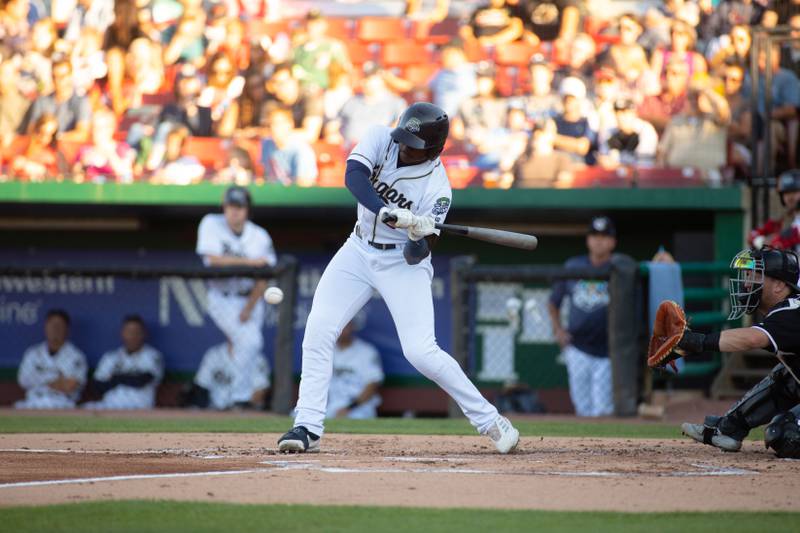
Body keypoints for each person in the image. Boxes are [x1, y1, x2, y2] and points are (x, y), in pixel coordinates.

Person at [277, 102, 519, 454]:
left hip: (400, 264)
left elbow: (418, 255)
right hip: (358, 248)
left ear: (434, 150)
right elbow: (353, 177)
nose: (405, 148)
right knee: (319, 329)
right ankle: (307, 426)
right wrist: (384, 210)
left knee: (421, 352)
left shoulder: (438, 189)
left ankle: (490, 420)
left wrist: (420, 233)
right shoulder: (380, 136)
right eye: (404, 139)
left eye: (414, 145)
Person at [676, 247, 800, 458]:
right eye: (748, 275)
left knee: (785, 434)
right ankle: (730, 428)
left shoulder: (791, 311)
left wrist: (699, 341)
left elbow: (752, 338)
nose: (747, 282)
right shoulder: (786, 309)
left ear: (779, 285)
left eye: (756, 276)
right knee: (787, 377)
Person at [196, 186, 277, 371]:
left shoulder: (260, 236)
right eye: (230, 206)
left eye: (239, 206)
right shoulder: (210, 223)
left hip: (251, 299)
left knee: (248, 349)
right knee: (251, 343)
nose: (234, 211)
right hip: (222, 297)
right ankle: (239, 398)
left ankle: (240, 397)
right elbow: (212, 260)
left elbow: (265, 274)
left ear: (247, 209)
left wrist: (249, 307)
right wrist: (250, 263)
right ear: (224, 207)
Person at [548, 216, 617, 417]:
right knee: (583, 408)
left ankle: (609, 448)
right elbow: (553, 302)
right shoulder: (573, 266)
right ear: (588, 240)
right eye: (595, 235)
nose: (599, 240)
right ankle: (587, 449)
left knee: (603, 409)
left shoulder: (619, 267)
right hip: (577, 347)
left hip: (608, 351)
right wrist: (558, 330)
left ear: (613, 242)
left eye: (604, 236)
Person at [84, 315, 164, 410]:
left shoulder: (152, 356)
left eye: (136, 332)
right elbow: (97, 386)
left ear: (144, 334)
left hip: (139, 408)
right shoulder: (111, 357)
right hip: (109, 406)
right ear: (122, 333)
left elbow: (141, 380)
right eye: (129, 332)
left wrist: (116, 378)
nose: (132, 336)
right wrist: (126, 378)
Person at [657, 78, 730, 179]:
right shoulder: (676, 121)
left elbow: (722, 108)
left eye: (697, 97)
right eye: (690, 97)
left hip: (708, 177)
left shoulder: (715, 120)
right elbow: (662, 153)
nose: (694, 101)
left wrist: (705, 91)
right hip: (678, 177)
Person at [15, 309, 88, 409]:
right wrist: (56, 379)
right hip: (33, 401)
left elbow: (70, 386)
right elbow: (23, 380)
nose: (55, 329)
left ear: (66, 329)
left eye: (59, 326)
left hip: (61, 403)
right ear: (46, 327)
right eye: (52, 325)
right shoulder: (33, 353)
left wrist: (39, 378)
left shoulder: (76, 356)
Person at [335, 62, 407, 147]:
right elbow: (335, 125)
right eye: (364, 77)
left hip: (378, 152)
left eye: (369, 78)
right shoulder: (352, 101)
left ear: (382, 79)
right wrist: (334, 134)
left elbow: (398, 131)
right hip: (348, 151)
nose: (364, 81)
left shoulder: (396, 103)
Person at [21, 59, 91, 141]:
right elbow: (31, 130)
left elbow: (82, 134)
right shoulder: (41, 101)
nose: (58, 81)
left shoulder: (81, 102)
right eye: (54, 77)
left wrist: (55, 138)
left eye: (62, 76)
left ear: (70, 75)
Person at [326, 320, 384, 419]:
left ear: (351, 327)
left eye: (344, 326)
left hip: (358, 407)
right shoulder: (327, 350)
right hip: (330, 405)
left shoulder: (366, 351)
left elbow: (372, 384)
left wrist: (350, 408)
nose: (340, 331)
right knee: (298, 418)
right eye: (337, 327)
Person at [190, 340, 270, 410]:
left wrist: (245, 408)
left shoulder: (256, 357)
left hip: (245, 411)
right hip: (215, 410)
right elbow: (201, 385)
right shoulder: (214, 354)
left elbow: (260, 391)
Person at [260, 105, 318, 186]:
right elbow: (265, 177)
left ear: (290, 124)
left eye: (277, 123)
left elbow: (303, 186)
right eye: (269, 124)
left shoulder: (302, 151)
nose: (273, 128)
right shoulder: (266, 144)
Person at [749, 169, 800, 253]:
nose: (790, 197)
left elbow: (794, 234)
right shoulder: (785, 219)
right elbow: (754, 235)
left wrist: (774, 239)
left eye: (794, 192)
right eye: (786, 193)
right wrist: (759, 238)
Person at [599, 98, 659, 168]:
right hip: (615, 176)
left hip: (643, 177)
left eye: (625, 113)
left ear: (634, 113)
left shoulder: (646, 130)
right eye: (617, 113)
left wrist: (617, 166)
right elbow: (603, 160)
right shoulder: (610, 132)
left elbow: (644, 165)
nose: (620, 117)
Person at [429, 41, 477, 118]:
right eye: (443, 53)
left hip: (465, 120)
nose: (444, 56)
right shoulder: (441, 73)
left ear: (459, 54)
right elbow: (427, 87)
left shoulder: (473, 71)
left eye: (448, 53)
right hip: (441, 121)